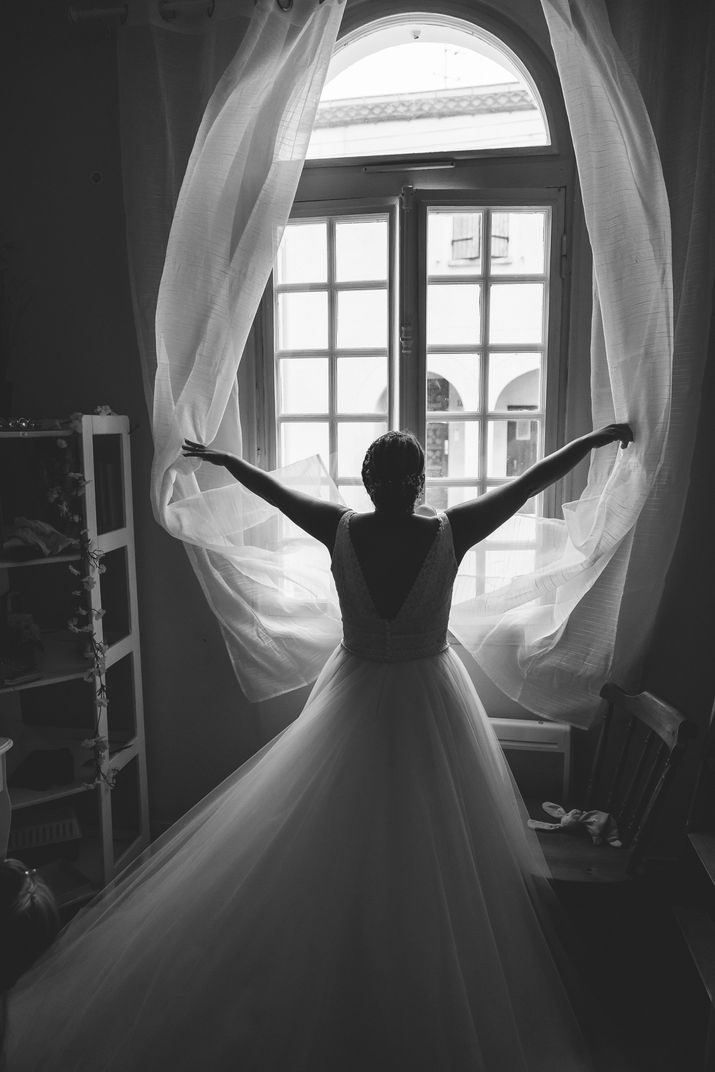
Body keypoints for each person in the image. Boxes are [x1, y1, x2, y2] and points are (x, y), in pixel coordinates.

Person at [4, 424, 633, 1071]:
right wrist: (591, 441)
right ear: (420, 483)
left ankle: (343, 958)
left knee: (337, 835)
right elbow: (528, 483)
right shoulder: (451, 529)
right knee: (433, 840)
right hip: (430, 700)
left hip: (354, 693)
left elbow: (274, 493)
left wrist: (227, 458)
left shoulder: (341, 527)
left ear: (368, 482)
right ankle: (408, 970)